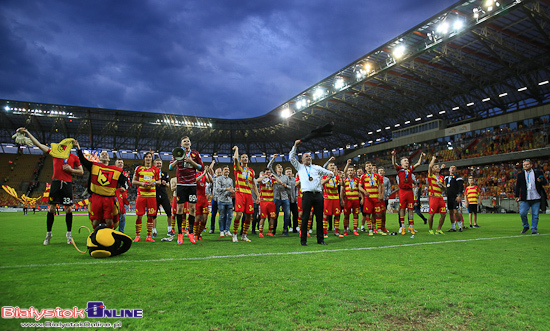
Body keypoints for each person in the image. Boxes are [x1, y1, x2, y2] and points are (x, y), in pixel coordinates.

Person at [17, 128, 84, 245]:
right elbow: (39, 145)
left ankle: (69, 234)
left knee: (68, 209)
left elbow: (81, 171)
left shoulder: (74, 157)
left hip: (67, 184)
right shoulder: (55, 153)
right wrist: (28, 132)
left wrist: (71, 169)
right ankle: (48, 234)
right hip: (56, 183)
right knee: (51, 208)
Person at [289, 140, 334, 246]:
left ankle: (320, 240)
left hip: (318, 195)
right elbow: (291, 158)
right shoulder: (299, 167)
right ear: (302, 160)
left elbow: (329, 172)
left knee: (319, 218)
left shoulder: (317, 167)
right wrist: (295, 145)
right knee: (305, 217)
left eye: (309, 157)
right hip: (307, 195)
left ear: (311, 159)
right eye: (306, 157)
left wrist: (331, 173)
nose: (308, 158)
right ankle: (303, 240)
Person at [75, 141, 126, 230]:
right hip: (96, 197)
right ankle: (96, 237)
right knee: (96, 220)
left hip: (109, 198)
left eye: (106, 154)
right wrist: (78, 148)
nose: (104, 155)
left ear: (109, 159)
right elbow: (83, 160)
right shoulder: (94, 166)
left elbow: (124, 180)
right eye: (102, 154)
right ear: (98, 158)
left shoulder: (115, 170)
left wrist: (123, 187)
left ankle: (110, 237)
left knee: (109, 220)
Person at [169, 136, 204, 245]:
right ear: (181, 144)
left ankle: (191, 232)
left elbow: (201, 167)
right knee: (180, 208)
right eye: (184, 141)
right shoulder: (177, 153)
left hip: (192, 184)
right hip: (181, 184)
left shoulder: (195, 154)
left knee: (192, 208)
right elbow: (170, 167)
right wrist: (177, 160)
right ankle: (180, 233)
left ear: (190, 143)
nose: (186, 142)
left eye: (188, 141)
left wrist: (191, 161)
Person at [391, 150, 425, 235]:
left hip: (410, 191)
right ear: (401, 163)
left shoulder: (410, 169)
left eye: (407, 161)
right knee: (402, 209)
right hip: (402, 191)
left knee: (410, 209)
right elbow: (394, 163)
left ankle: (411, 226)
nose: (407, 162)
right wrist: (394, 156)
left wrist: (421, 157)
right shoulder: (399, 169)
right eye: (405, 161)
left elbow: (419, 163)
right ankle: (402, 226)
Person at [231, 146, 261, 242]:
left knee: (249, 216)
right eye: (243, 157)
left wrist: (258, 195)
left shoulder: (251, 171)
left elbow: (254, 184)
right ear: (240, 159)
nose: (245, 158)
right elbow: (235, 158)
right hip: (239, 193)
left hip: (248, 195)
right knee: (239, 214)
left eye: (246, 157)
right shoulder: (238, 167)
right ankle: (234, 234)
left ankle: (244, 235)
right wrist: (237, 150)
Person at [132, 152, 161, 242]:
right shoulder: (139, 168)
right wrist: (141, 183)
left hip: (152, 195)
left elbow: (159, 181)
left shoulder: (155, 169)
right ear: (144, 159)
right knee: (139, 215)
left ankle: (149, 235)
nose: (148, 158)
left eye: (150, 157)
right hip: (141, 195)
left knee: (150, 216)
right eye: (147, 157)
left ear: (152, 159)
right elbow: (133, 181)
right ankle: (138, 235)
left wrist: (154, 183)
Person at [515, 159, 547, 235]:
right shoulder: (520, 175)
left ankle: (534, 229)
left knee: (535, 214)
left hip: (536, 196)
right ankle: (526, 226)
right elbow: (517, 186)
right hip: (525, 197)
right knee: (522, 213)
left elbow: (545, 182)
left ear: (531, 165)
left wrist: (540, 181)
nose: (525, 166)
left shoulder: (537, 172)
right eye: (524, 165)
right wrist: (516, 195)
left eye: (527, 164)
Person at [359, 161, 385, 236]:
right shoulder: (363, 176)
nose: (369, 167)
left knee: (378, 213)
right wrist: (364, 192)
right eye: (367, 166)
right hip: (368, 198)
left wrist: (380, 195)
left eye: (370, 165)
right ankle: (370, 230)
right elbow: (359, 186)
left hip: (376, 197)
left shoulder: (377, 176)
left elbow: (380, 185)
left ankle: (378, 229)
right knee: (368, 214)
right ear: (365, 168)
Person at [268, 155, 292, 235]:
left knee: (287, 214)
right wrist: (273, 159)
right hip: (276, 197)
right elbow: (268, 166)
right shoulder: (273, 175)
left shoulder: (286, 177)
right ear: (275, 170)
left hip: (284, 197)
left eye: (281, 167)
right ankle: (273, 230)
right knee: (275, 215)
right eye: (279, 167)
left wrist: (286, 186)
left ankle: (285, 230)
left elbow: (290, 187)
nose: (280, 168)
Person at [257, 168, 284, 237]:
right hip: (263, 201)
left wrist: (274, 176)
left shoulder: (272, 180)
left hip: (271, 201)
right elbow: (257, 180)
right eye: (267, 172)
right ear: (264, 173)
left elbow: (280, 182)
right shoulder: (262, 180)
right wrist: (264, 176)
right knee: (263, 217)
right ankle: (261, 232)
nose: (268, 174)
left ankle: (269, 232)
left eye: (269, 172)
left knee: (272, 217)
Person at [340, 159, 360, 236]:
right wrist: (342, 199)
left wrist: (362, 198)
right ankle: (345, 230)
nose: (350, 172)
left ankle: (355, 229)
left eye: (352, 170)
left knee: (356, 215)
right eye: (349, 170)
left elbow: (360, 190)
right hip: (347, 200)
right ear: (347, 172)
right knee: (346, 215)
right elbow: (342, 191)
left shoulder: (357, 180)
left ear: (354, 172)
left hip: (356, 200)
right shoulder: (344, 180)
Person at [427, 155, 447, 235]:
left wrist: (442, 185)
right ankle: (430, 229)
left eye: (438, 167)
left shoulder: (442, 177)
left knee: (444, 214)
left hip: (440, 197)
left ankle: (438, 229)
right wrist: (433, 159)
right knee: (431, 214)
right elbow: (429, 166)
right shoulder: (431, 176)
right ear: (432, 169)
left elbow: (445, 188)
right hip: (433, 197)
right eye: (435, 167)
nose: (437, 168)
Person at [321, 161, 341, 238]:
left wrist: (341, 177)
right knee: (326, 215)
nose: (332, 166)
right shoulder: (324, 175)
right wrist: (329, 178)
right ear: (327, 168)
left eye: (333, 165)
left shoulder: (336, 176)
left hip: (336, 198)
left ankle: (336, 231)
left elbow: (342, 184)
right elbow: (321, 182)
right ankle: (324, 232)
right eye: (331, 165)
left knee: (337, 215)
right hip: (327, 198)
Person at [153, 158, 172, 237]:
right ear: (154, 164)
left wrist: (165, 183)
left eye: (160, 163)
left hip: (164, 194)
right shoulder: (152, 173)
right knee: (154, 214)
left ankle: (169, 230)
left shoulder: (165, 173)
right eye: (157, 163)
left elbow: (168, 185)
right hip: (155, 194)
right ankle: (154, 231)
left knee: (169, 212)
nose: (159, 165)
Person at [443, 164, 464, 232]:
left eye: (454, 168)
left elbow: (461, 186)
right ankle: (453, 227)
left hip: (455, 196)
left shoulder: (458, 177)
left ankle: (460, 226)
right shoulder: (446, 177)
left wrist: (459, 195)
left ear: (456, 170)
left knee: (456, 211)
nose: (452, 169)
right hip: (449, 196)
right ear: (449, 169)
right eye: (451, 167)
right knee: (450, 212)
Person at [194, 165, 213, 241]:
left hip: (204, 198)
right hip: (197, 197)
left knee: (205, 218)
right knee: (197, 218)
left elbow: (211, 181)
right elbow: (195, 181)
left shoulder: (204, 174)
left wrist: (207, 173)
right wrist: (203, 174)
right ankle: (196, 235)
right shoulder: (194, 173)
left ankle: (199, 233)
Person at [215, 166, 234, 237]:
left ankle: (227, 230)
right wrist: (227, 189)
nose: (227, 171)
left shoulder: (230, 180)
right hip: (221, 200)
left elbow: (231, 189)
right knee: (222, 216)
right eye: (225, 169)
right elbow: (217, 189)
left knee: (230, 216)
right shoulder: (219, 179)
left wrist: (232, 190)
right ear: (222, 171)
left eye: (228, 170)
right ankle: (221, 231)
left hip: (229, 200)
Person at [115, 159, 130, 234]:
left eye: (121, 163)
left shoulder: (125, 174)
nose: (120, 164)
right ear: (115, 164)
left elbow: (128, 186)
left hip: (123, 197)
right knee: (114, 216)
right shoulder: (113, 173)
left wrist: (126, 179)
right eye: (119, 162)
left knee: (123, 216)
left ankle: (121, 233)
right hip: (114, 197)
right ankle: (112, 231)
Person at [208, 167, 222, 234]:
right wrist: (210, 194)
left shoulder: (224, 180)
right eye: (218, 172)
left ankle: (222, 229)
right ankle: (212, 228)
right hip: (215, 199)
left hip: (222, 199)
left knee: (222, 215)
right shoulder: (213, 180)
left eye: (220, 172)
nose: (219, 174)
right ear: (215, 173)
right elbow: (208, 187)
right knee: (213, 214)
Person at [378, 167, 392, 232]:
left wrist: (388, 195)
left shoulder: (387, 179)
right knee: (377, 213)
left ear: (384, 172)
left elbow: (389, 188)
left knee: (383, 213)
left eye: (381, 170)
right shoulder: (375, 178)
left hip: (384, 198)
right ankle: (377, 227)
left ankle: (383, 226)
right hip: (377, 198)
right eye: (379, 171)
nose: (380, 172)